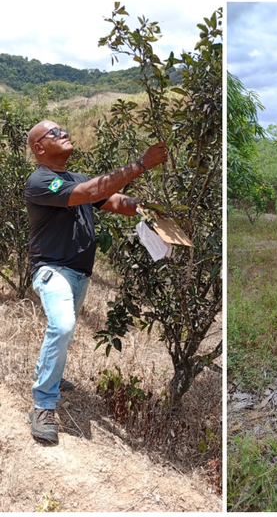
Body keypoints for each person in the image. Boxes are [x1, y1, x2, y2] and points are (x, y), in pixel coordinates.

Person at [25, 120, 167, 444]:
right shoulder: (41, 181)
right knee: (62, 326)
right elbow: (92, 192)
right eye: (54, 132)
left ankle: (51, 375)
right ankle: (43, 406)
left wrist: (146, 209)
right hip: (52, 270)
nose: (64, 133)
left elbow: (113, 200)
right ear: (39, 148)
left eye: (64, 129)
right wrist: (141, 164)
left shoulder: (76, 179)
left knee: (65, 328)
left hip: (79, 275)